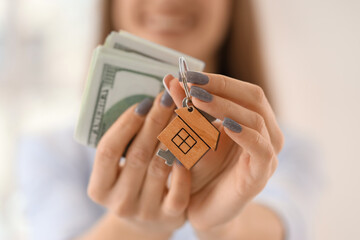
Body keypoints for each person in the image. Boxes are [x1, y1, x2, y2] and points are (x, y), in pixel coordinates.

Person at [17, 0, 321, 239]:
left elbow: (279, 222)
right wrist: (134, 229)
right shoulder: (50, 152)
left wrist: (223, 227)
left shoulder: (282, 149)